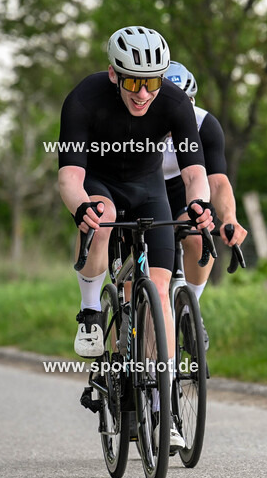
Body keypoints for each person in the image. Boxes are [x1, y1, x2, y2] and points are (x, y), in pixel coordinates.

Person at [57, 26, 214, 450]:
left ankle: (162, 411)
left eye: (152, 82)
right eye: (133, 82)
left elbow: (194, 172)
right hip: (100, 182)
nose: (143, 93)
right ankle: (91, 312)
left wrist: (199, 204)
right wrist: (81, 208)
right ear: (114, 74)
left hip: (148, 189)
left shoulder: (174, 102)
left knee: (158, 291)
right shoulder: (85, 98)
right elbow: (70, 177)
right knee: (102, 218)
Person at [161, 61, 248, 348]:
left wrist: (230, 218)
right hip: (138, 188)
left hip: (183, 190)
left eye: (186, 102)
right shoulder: (136, 120)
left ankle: (189, 309)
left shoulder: (204, 124)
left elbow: (219, 182)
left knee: (200, 235)